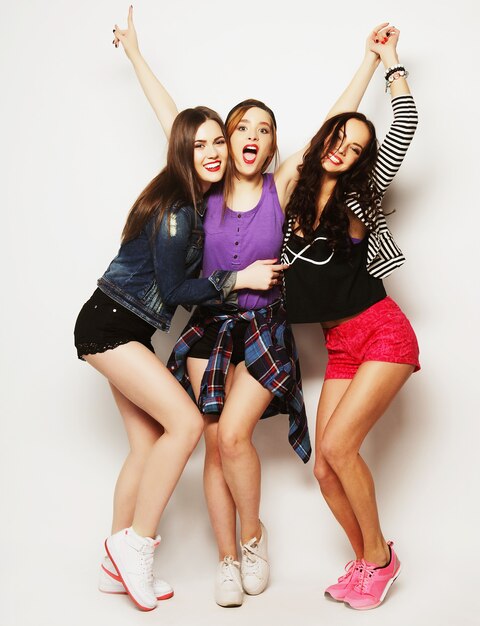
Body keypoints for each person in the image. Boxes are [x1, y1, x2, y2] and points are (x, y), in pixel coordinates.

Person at [113, 7, 390, 608]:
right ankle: (228, 559)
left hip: (263, 325)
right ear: (227, 137)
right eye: (244, 127)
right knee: (213, 440)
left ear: (270, 144)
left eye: (264, 129)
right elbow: (173, 119)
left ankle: (255, 534)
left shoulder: (281, 185)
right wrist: (135, 54)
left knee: (235, 436)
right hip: (210, 324)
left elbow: (330, 127)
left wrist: (369, 60)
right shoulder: (203, 184)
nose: (252, 137)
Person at [74, 105, 282, 611]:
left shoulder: (194, 198)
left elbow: (176, 118)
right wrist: (239, 279)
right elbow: (174, 289)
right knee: (187, 425)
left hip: (126, 328)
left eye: (218, 142)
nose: (212, 153)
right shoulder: (176, 210)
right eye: (199, 146)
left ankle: (111, 566)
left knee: (147, 447)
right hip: (109, 328)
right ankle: (136, 546)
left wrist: (138, 57)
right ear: (182, 152)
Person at [281, 27, 419, 610]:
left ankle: (381, 561)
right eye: (339, 138)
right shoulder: (287, 193)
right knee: (324, 467)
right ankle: (367, 560)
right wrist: (357, 71)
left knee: (339, 447)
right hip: (340, 343)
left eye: (356, 146)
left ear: (365, 159)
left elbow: (405, 119)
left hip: (383, 330)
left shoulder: (363, 194)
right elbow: (325, 133)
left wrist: (389, 62)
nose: (344, 148)